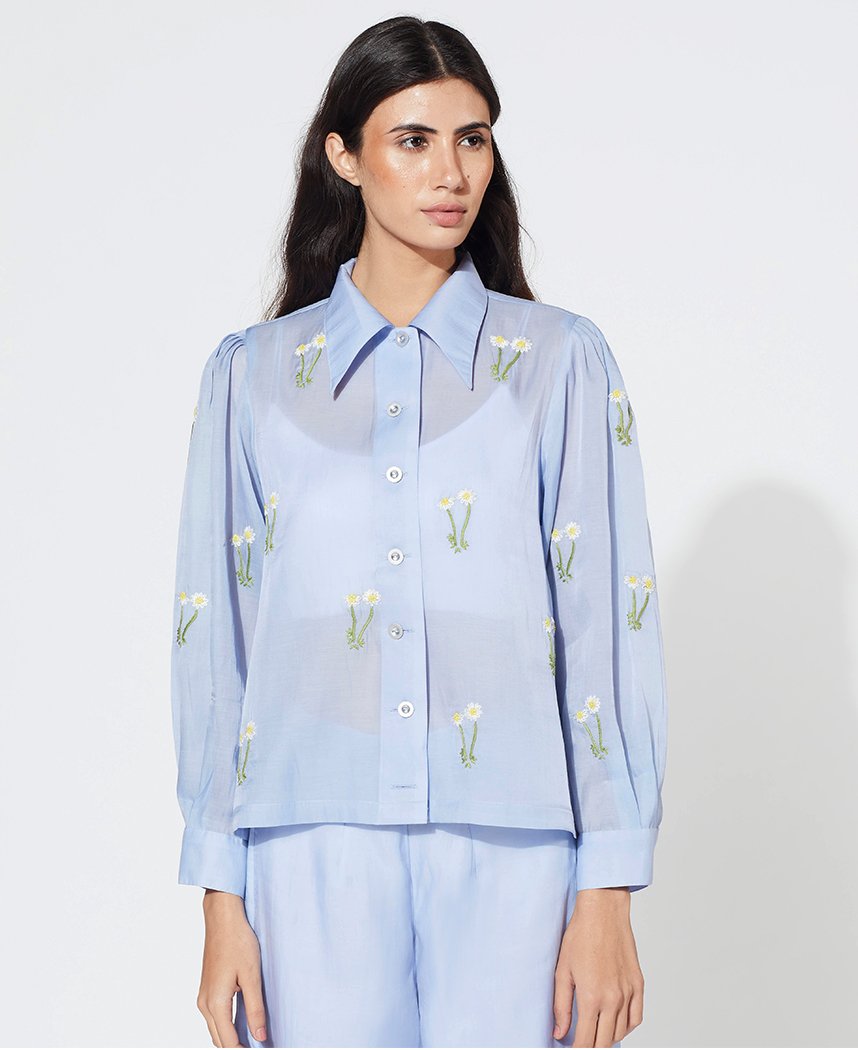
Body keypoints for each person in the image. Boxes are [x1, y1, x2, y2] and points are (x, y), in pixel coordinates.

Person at [170, 15, 668, 1050]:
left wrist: (609, 888)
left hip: (516, 844)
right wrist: (221, 896)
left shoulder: (558, 363)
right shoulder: (253, 378)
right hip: (307, 844)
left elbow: (607, 630)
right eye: (414, 140)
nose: (451, 171)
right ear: (344, 156)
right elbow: (219, 645)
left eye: (472, 138)